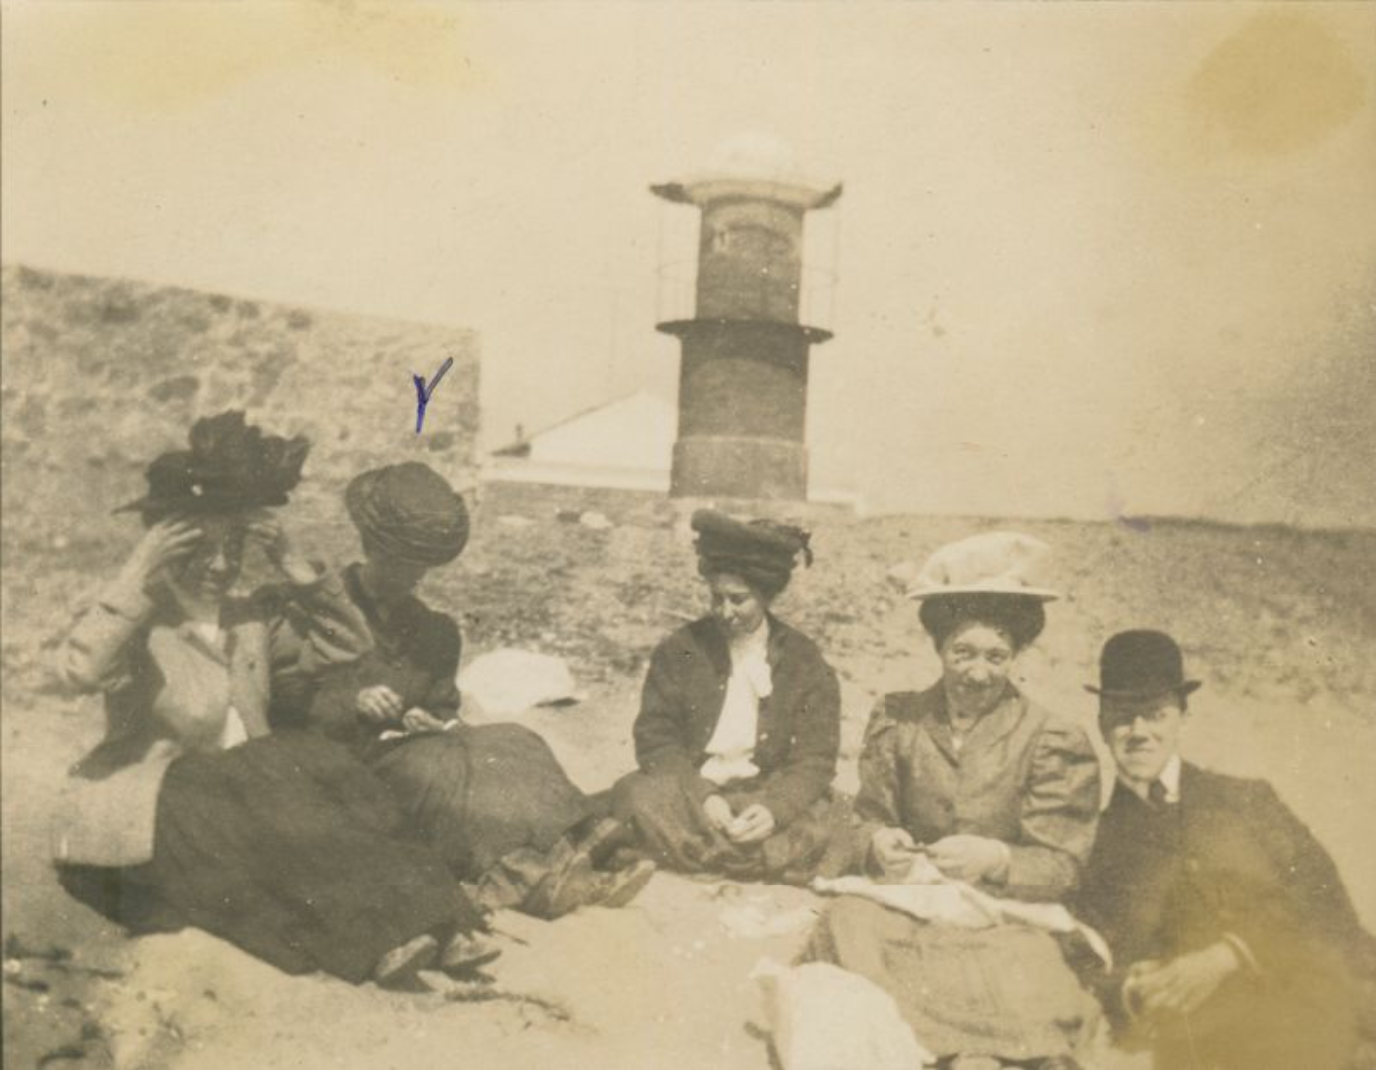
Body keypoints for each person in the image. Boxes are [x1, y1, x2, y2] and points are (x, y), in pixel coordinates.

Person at [51, 412, 492, 990]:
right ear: (166, 550)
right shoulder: (141, 621)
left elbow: (347, 646)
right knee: (275, 796)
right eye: (201, 549)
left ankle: (439, 918)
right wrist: (138, 570)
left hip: (243, 793)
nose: (219, 565)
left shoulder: (246, 620)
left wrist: (296, 568)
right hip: (162, 807)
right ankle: (379, 939)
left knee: (324, 768)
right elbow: (77, 671)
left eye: (233, 548)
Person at [272, 461, 653, 917]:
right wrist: (354, 701)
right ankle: (524, 875)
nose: (412, 578)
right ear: (371, 548)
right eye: (401, 564)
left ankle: (584, 842)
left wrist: (432, 720)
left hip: (418, 750)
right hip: (350, 763)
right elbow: (287, 696)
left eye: (421, 568)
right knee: (445, 769)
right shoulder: (324, 611)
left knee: (513, 740)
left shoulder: (434, 631)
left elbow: (444, 707)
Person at [806, 532, 1102, 1068]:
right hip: (910, 906)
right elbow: (866, 817)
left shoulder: (1051, 738)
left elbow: (1063, 865)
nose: (977, 673)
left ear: (1016, 656)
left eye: (996, 656)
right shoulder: (901, 720)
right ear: (938, 648)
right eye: (962, 652)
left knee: (1027, 970)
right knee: (846, 924)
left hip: (1001, 917)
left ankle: (972, 1050)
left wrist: (997, 858)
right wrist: (878, 843)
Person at [1075, 629, 1376, 1070]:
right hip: (1196, 1045)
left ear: (1182, 716)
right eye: (1123, 716)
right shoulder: (1094, 841)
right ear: (1102, 722)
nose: (1139, 732)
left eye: (1155, 714)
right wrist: (1129, 987)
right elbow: (1084, 954)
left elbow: (1328, 907)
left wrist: (1230, 953)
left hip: (1310, 1015)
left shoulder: (1248, 801)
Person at [611, 509, 847, 884]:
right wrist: (703, 795)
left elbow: (816, 757)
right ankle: (755, 859)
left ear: (765, 596)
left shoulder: (804, 659)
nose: (725, 611)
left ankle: (702, 853)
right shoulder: (680, 649)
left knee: (834, 811)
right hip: (692, 796)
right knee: (634, 796)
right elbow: (655, 741)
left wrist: (776, 810)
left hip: (763, 795)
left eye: (739, 599)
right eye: (716, 597)